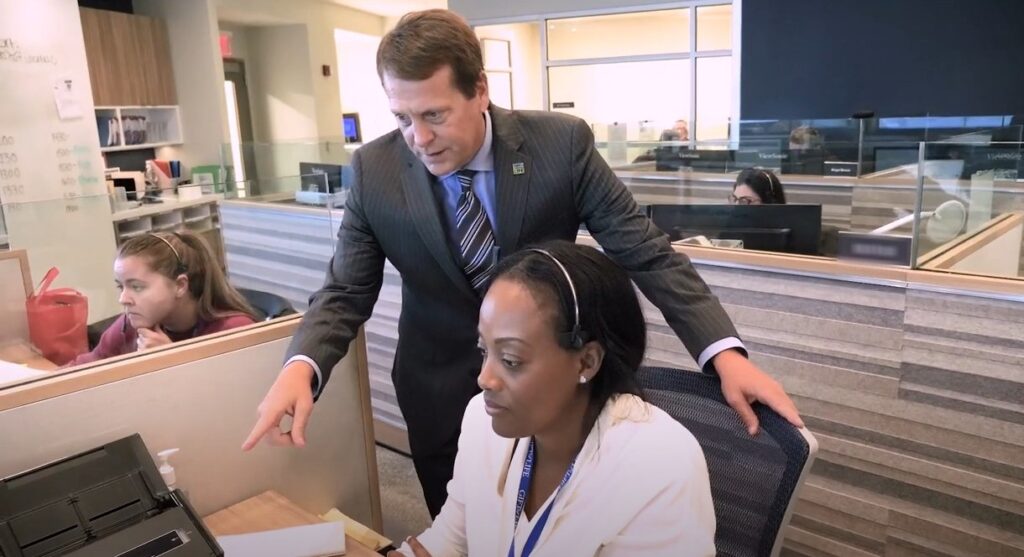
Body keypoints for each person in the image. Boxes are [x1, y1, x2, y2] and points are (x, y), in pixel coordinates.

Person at [243, 9, 802, 518]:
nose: (419, 138)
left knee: (562, 525)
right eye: (402, 117)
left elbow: (643, 249)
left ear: (480, 90)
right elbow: (345, 291)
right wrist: (302, 366)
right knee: (459, 525)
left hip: (550, 391)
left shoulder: (560, 145)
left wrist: (723, 352)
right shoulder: (375, 170)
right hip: (437, 389)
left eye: (435, 114)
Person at [389, 242, 715, 557]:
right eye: (484, 350)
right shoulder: (482, 420)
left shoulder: (659, 465)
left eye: (511, 360)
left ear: (586, 362)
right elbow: (451, 538)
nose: (484, 378)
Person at [68, 231, 257, 366]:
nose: (123, 299)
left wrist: (174, 362)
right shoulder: (132, 324)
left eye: (137, 287)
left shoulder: (233, 330)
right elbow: (86, 367)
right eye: (121, 286)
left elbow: (228, 403)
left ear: (180, 286)